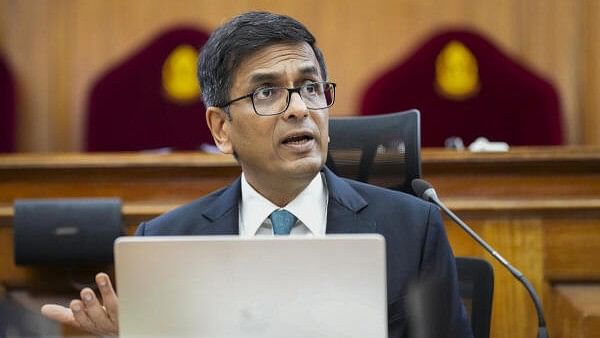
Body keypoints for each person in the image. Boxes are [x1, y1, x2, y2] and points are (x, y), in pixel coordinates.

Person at [41, 11, 473, 338]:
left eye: (310, 87)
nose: (301, 109)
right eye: (268, 92)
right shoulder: (167, 242)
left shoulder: (413, 227)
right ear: (221, 128)